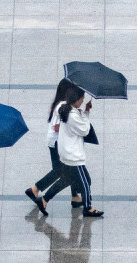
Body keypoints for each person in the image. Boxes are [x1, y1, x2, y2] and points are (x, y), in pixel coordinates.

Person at [25, 79, 83, 215]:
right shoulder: (62, 105)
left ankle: (75, 197)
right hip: (58, 143)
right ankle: (36, 190)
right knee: (65, 171)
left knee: (65, 170)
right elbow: (57, 127)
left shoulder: (63, 104)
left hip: (56, 142)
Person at [44, 87, 103, 217]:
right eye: (82, 98)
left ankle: (44, 199)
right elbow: (84, 130)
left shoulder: (65, 108)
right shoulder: (72, 115)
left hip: (66, 152)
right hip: (74, 155)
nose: (83, 100)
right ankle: (88, 208)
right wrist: (86, 114)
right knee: (85, 182)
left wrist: (84, 110)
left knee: (66, 180)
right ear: (76, 100)